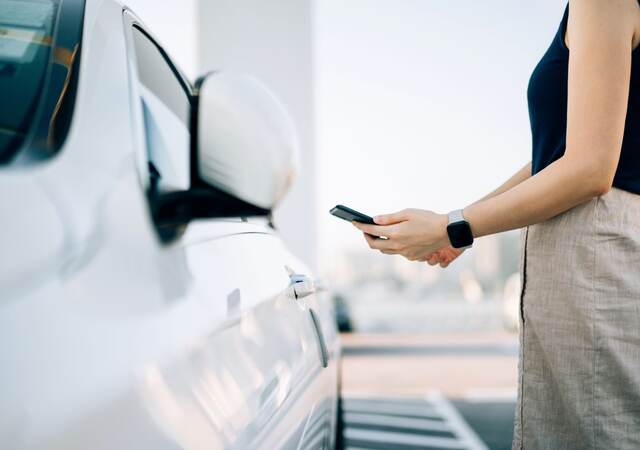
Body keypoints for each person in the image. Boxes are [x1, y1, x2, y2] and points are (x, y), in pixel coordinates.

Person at [353, 1, 640, 448]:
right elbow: (557, 156)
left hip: (596, 254)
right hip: (598, 251)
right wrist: (457, 229)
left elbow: (589, 168)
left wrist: (453, 227)